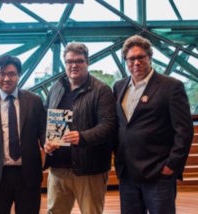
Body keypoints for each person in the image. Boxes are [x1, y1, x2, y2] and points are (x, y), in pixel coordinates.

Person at [113, 35, 193, 214]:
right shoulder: (119, 87)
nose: (136, 62)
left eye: (141, 57)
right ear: (126, 61)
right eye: (131, 58)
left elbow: (184, 131)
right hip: (127, 174)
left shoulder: (171, 86)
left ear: (150, 57)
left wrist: (171, 165)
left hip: (158, 173)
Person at [44, 43, 116, 214]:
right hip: (58, 169)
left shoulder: (101, 90)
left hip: (89, 171)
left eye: (79, 61)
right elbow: (46, 120)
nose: (73, 65)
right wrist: (46, 142)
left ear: (87, 62)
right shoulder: (56, 87)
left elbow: (109, 125)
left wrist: (82, 137)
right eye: (69, 61)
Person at [0, 55, 46, 214]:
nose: (6, 78)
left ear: (19, 75)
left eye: (11, 74)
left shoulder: (35, 101)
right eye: (1, 73)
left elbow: (43, 132)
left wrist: (50, 143)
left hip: (28, 176)